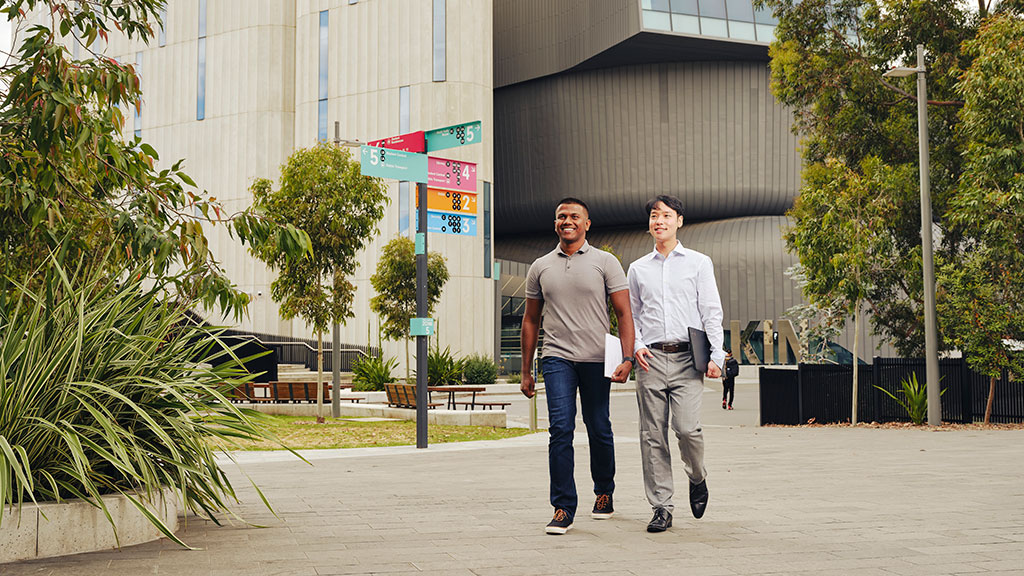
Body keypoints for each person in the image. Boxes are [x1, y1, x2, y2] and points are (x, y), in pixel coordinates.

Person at [520, 197, 636, 535]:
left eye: (574, 216)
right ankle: (562, 506)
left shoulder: (606, 262)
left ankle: (604, 492)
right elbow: (530, 320)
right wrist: (526, 370)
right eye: (560, 216)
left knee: (599, 426)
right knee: (560, 429)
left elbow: (624, 313)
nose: (566, 221)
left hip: (598, 358)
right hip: (556, 358)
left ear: (586, 224)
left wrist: (627, 358)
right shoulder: (540, 266)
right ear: (555, 223)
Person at [627, 194, 725, 533]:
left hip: (688, 359)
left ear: (679, 221)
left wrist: (716, 355)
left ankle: (697, 477)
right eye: (654, 216)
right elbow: (633, 315)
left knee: (686, 429)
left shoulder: (699, 263)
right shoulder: (638, 268)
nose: (660, 221)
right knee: (652, 435)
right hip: (650, 359)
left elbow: (711, 310)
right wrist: (636, 346)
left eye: (666, 216)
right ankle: (661, 507)